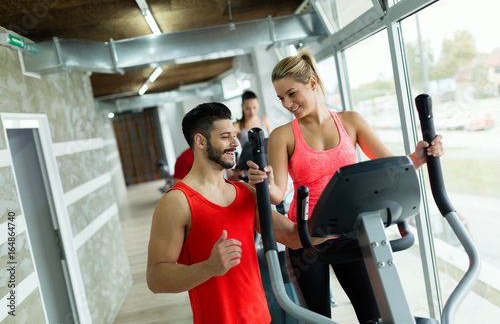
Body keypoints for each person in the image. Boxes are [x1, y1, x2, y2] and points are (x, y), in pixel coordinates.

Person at [247, 48, 444, 324]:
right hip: (307, 239)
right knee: (317, 319)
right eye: (281, 98)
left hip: (352, 231)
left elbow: (391, 167)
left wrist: (422, 154)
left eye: (292, 93)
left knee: (374, 315)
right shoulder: (282, 135)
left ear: (312, 83)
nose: (287, 103)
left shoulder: (350, 121)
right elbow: (277, 192)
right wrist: (262, 183)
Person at [146, 102, 324, 324]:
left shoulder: (246, 193)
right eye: (225, 137)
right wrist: (208, 268)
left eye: (234, 135)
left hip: (261, 318)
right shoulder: (177, 202)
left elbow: (295, 237)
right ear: (200, 141)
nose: (235, 143)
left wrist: (342, 217)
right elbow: (155, 278)